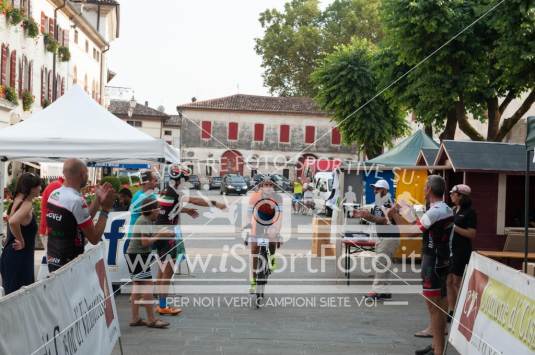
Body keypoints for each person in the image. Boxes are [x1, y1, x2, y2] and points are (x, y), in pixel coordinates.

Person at [388, 175, 453, 355]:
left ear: (429, 190)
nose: (423, 190)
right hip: (441, 259)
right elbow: (421, 224)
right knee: (439, 305)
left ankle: (438, 350)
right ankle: (436, 346)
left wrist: (394, 214)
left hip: (433, 261)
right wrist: (406, 212)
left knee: (434, 308)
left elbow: (409, 233)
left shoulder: (435, 211)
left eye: (425, 187)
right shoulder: (444, 208)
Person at [155, 163, 226, 315]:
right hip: (168, 236)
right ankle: (162, 306)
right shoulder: (177, 192)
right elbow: (196, 200)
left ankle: (159, 302)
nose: (187, 182)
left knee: (162, 270)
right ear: (180, 179)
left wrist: (185, 210)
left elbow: (168, 208)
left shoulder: (166, 191)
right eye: (186, 179)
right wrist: (216, 204)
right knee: (167, 273)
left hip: (159, 234)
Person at [46, 159, 115, 272]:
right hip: (70, 264)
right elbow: (94, 238)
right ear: (82, 175)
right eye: (87, 173)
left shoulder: (55, 194)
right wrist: (105, 210)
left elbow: (82, 221)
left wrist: (97, 199)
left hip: (54, 258)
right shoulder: (76, 200)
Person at [126, 196, 169, 329]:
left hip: (135, 255)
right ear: (151, 210)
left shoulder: (147, 220)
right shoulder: (144, 221)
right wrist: (159, 236)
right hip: (138, 256)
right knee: (147, 286)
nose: (159, 212)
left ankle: (135, 318)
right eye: (158, 209)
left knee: (137, 286)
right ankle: (151, 319)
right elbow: (145, 242)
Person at [355, 179, 398, 300]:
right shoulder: (380, 203)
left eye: (377, 189)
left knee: (380, 264)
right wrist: (368, 216)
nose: (375, 190)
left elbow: (384, 221)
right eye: (374, 188)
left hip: (389, 237)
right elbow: (378, 219)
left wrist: (368, 216)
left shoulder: (387, 202)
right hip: (387, 237)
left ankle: (375, 291)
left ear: (384, 190)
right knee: (385, 264)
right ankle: (385, 290)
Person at [0, 173, 41, 294]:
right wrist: (22, 241)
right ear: (31, 188)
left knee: (12, 299)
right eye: (38, 185)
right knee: (19, 301)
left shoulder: (17, 200)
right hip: (19, 258)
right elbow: (13, 222)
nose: (40, 188)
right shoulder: (27, 204)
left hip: (11, 256)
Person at [247, 176, 283, 293]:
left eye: (270, 185)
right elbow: (250, 215)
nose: (268, 188)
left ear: (274, 187)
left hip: (272, 220)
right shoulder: (255, 197)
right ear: (261, 187)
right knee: (254, 252)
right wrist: (250, 229)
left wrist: (276, 229)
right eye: (265, 185)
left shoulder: (278, 198)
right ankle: (253, 281)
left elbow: (279, 216)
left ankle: (272, 257)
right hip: (257, 221)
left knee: (272, 239)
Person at [447, 184, 477, 321]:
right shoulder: (454, 210)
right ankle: (451, 310)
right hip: (450, 249)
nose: (451, 195)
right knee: (449, 281)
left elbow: (471, 234)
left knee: (457, 281)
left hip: (461, 250)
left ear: (461, 196)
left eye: (453, 193)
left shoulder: (470, 212)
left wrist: (454, 227)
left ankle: (461, 310)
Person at [39, 176, 65, 249]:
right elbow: (52, 209)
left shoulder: (60, 186)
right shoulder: (57, 185)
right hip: (51, 231)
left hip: (53, 231)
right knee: (52, 259)